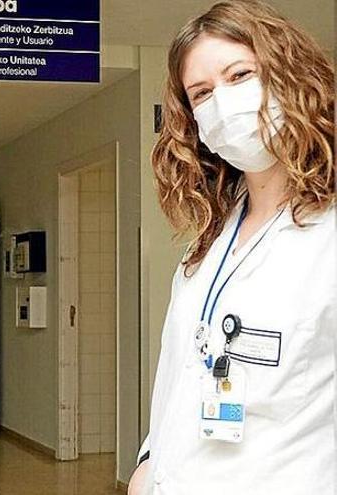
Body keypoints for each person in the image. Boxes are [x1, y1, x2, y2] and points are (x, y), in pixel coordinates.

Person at [129, 2, 335, 494]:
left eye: (240, 74)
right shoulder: (211, 240)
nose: (222, 103)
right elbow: (183, 367)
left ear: (292, 76)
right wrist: (149, 461)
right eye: (201, 93)